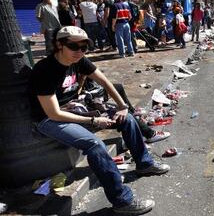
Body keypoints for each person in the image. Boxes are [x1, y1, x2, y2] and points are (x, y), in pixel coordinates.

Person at [30, 26, 170, 214]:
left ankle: (144, 164)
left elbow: (105, 82)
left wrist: (122, 106)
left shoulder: (78, 60)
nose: (79, 51)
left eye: (84, 47)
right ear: (59, 44)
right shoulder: (45, 70)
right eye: (73, 46)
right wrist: (94, 121)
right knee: (94, 145)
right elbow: (53, 113)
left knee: (127, 119)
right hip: (48, 119)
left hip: (74, 108)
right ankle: (122, 202)